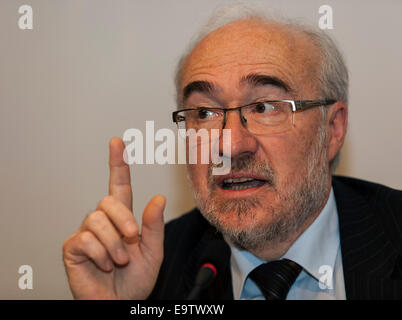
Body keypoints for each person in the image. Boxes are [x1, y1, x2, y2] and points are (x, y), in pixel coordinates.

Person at [62, 5, 402, 300]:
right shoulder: (153, 272)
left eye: (266, 107)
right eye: (205, 114)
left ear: (332, 129)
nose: (230, 145)